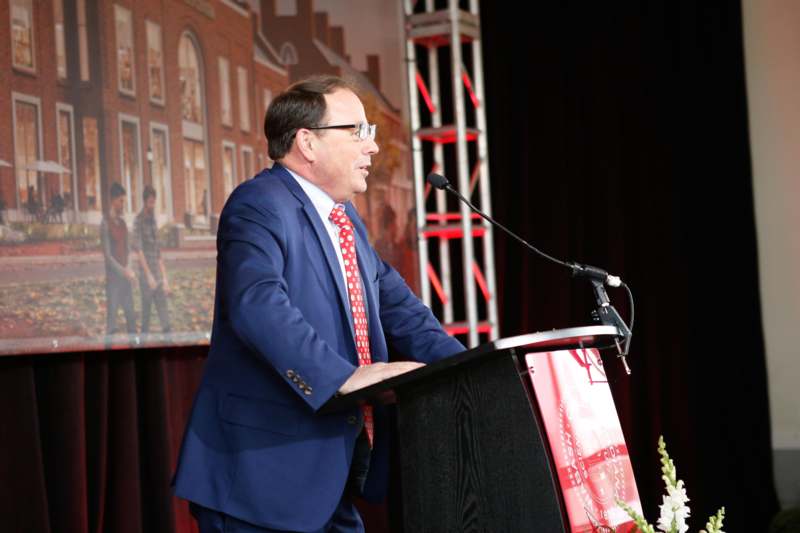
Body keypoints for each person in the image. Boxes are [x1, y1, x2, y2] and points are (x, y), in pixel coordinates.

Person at [173, 75, 464, 533]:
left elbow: (400, 309)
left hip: (328, 480)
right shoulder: (258, 204)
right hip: (260, 482)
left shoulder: (343, 218)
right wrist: (342, 378)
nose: (372, 148)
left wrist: (472, 372)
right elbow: (257, 304)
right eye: (359, 132)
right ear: (308, 142)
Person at [133, 185, 172, 334]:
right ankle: (143, 350)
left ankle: (170, 348)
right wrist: (148, 276)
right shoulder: (138, 221)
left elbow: (158, 252)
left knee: (164, 316)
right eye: (150, 202)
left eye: (154, 202)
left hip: (157, 273)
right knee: (146, 317)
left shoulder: (153, 221)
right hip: (146, 276)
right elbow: (139, 250)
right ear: (144, 201)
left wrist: (165, 279)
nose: (152, 205)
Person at [100, 182, 136, 335]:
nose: (123, 204)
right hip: (113, 281)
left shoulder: (122, 223)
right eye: (121, 201)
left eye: (124, 201)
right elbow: (108, 257)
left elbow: (128, 250)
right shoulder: (105, 224)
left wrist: (129, 267)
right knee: (112, 324)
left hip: (125, 280)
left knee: (131, 320)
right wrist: (124, 271)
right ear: (113, 200)